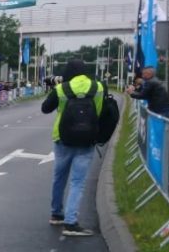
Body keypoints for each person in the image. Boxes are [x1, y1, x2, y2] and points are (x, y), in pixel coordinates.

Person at [41, 59, 104, 237]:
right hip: (87, 138)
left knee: (59, 177)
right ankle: (71, 222)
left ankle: (56, 213)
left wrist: (55, 91)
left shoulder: (62, 88)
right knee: (78, 182)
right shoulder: (97, 87)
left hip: (62, 138)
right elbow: (101, 111)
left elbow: (45, 109)